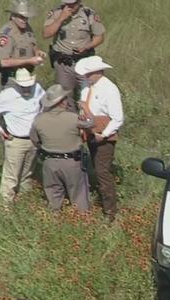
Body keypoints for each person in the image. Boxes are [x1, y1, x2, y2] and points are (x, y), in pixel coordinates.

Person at [0, 68, 45, 206]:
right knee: (11, 177)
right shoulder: (8, 95)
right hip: (16, 141)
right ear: (17, 85)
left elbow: (45, 103)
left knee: (27, 174)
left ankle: (25, 203)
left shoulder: (38, 89)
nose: (27, 89)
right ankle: (6, 208)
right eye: (23, 86)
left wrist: (40, 119)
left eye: (28, 85)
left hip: (34, 140)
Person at [30, 84, 93, 212]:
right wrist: (85, 109)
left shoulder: (38, 120)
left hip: (49, 162)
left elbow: (35, 140)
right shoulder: (73, 118)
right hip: (72, 162)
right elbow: (91, 123)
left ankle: (54, 223)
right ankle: (82, 223)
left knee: (53, 196)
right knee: (79, 196)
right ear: (62, 101)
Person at [75, 55, 124, 221]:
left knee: (102, 171)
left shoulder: (110, 90)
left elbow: (117, 118)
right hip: (90, 132)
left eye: (88, 74)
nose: (86, 77)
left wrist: (103, 135)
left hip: (103, 135)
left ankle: (110, 212)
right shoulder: (87, 87)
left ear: (98, 72)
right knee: (97, 168)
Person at [43, 0, 105, 111]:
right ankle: (70, 122)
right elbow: (46, 34)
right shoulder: (56, 13)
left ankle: (88, 121)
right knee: (65, 97)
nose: (70, 6)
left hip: (84, 63)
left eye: (73, 4)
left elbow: (99, 37)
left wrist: (87, 46)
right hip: (63, 63)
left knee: (89, 94)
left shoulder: (89, 14)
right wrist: (61, 18)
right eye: (67, 3)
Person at [0, 0, 46, 88]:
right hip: (11, 79)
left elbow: (33, 45)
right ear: (13, 16)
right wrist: (29, 61)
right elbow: (4, 62)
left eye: (26, 17)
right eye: (21, 17)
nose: (25, 20)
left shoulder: (27, 27)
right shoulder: (6, 34)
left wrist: (38, 53)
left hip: (26, 76)